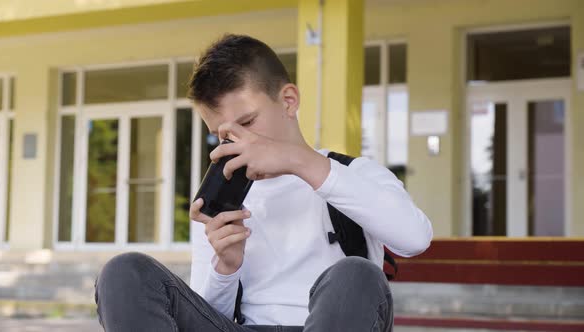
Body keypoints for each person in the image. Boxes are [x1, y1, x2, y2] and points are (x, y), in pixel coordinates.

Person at [94, 34, 433, 332]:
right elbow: (207, 316)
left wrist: (298, 160)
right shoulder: (220, 200)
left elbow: (414, 238)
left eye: (247, 122)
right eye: (222, 135)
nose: (237, 141)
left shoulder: (355, 173)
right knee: (124, 272)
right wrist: (226, 268)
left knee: (355, 274)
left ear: (288, 101)